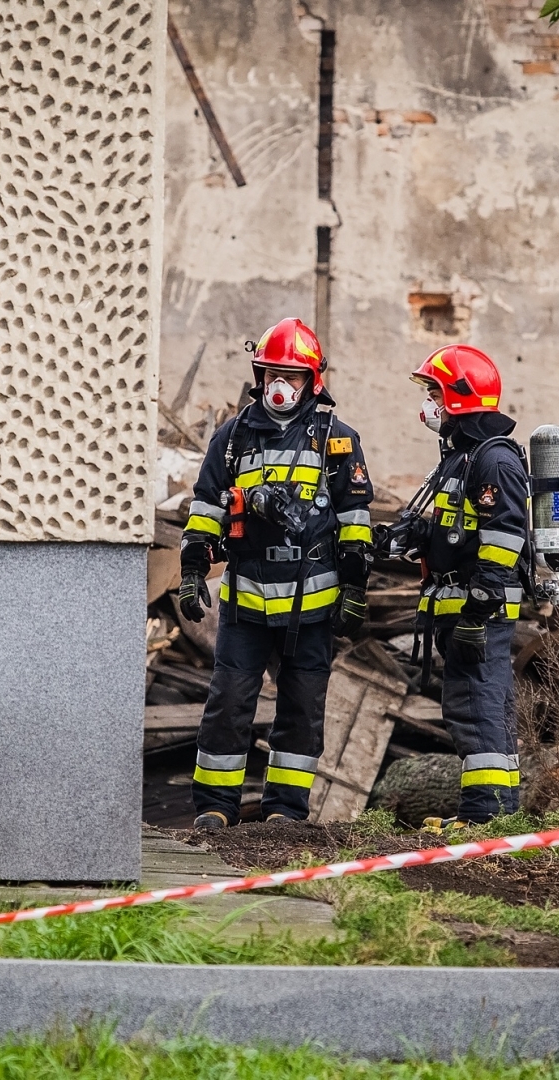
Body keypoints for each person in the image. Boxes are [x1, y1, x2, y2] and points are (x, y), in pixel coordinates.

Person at [175, 318, 374, 829]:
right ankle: (214, 809)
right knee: (227, 705)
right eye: (270, 374)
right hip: (245, 605)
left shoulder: (338, 440)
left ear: (312, 380)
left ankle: (285, 812)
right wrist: (193, 570)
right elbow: (205, 508)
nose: (280, 387)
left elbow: (355, 521)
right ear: (258, 375)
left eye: (292, 376)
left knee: (302, 710)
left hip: (311, 608)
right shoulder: (233, 437)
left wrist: (354, 587)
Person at [384, 345, 530, 830]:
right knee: (474, 703)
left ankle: (485, 815)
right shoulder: (461, 459)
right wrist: (420, 536)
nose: (428, 405)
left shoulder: (493, 460)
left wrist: (479, 607)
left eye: (434, 392)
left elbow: (505, 538)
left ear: (459, 397)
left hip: (479, 612)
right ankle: (498, 813)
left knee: (477, 705)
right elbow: (461, 532)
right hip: (461, 606)